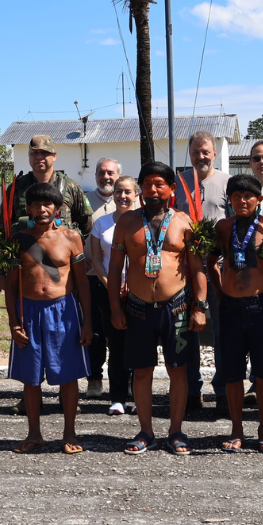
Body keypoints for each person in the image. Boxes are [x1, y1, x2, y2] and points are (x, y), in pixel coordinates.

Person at [110, 161, 208, 455]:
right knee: (141, 372)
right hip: (138, 308)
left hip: (176, 307)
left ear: (172, 188)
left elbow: (197, 267)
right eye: (147, 184)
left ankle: (176, 431)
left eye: (159, 184)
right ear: (140, 188)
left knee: (178, 370)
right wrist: (115, 307)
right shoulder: (126, 222)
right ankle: (146, 432)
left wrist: (200, 306)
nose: (153, 190)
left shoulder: (185, 222)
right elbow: (115, 269)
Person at [208, 174, 263, 452]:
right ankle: (237, 429)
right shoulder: (223, 227)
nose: (242, 201)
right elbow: (210, 262)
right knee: (232, 373)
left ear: (259, 199)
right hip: (230, 309)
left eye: (248, 196)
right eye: (236, 196)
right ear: (230, 200)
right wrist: (219, 293)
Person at [6, 181, 91, 453]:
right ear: (29, 209)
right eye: (36, 205)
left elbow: (82, 284)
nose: (42, 209)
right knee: (31, 377)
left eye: (47, 204)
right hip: (28, 312)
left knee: (68, 375)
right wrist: (14, 322)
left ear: (57, 208)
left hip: (64, 312)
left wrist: (87, 322)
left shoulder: (72, 237)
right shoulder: (19, 239)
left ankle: (70, 434)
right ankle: (34, 434)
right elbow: (11, 286)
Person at [177, 130, 231, 417]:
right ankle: (191, 389)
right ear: (190, 154)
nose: (201, 156)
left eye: (206, 151)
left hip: (218, 269)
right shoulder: (178, 183)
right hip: (184, 270)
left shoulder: (227, 183)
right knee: (188, 331)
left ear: (215, 154)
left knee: (222, 331)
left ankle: (222, 390)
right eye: (196, 152)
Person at [88, 175, 140, 415]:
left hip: (140, 293)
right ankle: (118, 398)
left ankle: (139, 396)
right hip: (110, 293)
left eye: (128, 192)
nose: (122, 196)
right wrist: (110, 284)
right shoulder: (102, 223)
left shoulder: (144, 222)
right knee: (116, 346)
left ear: (136, 195)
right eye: (119, 191)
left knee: (140, 346)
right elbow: (97, 260)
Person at [84, 158, 123, 400]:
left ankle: (126, 380)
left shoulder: (131, 201)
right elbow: (73, 229)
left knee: (122, 332)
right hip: (91, 276)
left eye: (111, 173)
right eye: (101, 172)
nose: (106, 177)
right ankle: (94, 379)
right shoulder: (84, 200)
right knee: (95, 330)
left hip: (125, 280)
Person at [8, 134, 93, 236]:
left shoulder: (70, 186)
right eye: (34, 153)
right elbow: (3, 223)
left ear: (54, 156)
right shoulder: (16, 187)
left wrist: (70, 240)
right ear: (29, 155)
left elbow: (86, 224)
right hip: (25, 245)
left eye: (45, 152)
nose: (39, 157)